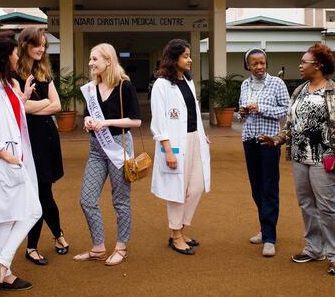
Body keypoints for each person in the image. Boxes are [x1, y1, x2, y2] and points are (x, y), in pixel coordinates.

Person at [259, 43, 335, 275]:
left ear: (318, 66)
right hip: (300, 157)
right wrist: (277, 139)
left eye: (304, 62)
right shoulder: (299, 90)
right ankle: (314, 248)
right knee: (306, 204)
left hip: (325, 158)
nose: (300, 66)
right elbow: (291, 124)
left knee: (327, 206)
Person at [0, 31, 42, 296]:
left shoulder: (5, 85)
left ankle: (3, 274)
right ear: (5, 56)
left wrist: (22, 98)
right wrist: (6, 156)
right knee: (32, 211)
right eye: (14, 53)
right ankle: (1, 265)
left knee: (6, 219)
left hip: (14, 159)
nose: (17, 56)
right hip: (4, 162)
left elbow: (12, 116)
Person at [74, 43, 141, 266]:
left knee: (120, 201)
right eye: (91, 59)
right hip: (96, 148)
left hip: (118, 146)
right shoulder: (91, 89)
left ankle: (121, 247)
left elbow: (136, 121)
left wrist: (106, 123)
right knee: (87, 199)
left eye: (95, 59)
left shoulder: (125, 87)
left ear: (108, 61)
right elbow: (87, 115)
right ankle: (98, 247)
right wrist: (88, 121)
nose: (91, 63)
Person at [150, 39, 211, 255]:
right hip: (174, 143)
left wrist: (202, 136)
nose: (190, 59)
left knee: (195, 187)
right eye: (185, 56)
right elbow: (158, 121)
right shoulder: (161, 85)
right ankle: (176, 235)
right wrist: (167, 150)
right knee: (177, 190)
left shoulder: (187, 81)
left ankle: (181, 229)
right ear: (174, 59)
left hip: (194, 139)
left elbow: (192, 112)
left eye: (189, 55)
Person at [14, 27, 69, 267]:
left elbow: (57, 106)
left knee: (44, 190)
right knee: (38, 193)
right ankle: (47, 240)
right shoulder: (14, 74)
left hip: (46, 138)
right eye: (38, 44)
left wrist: (40, 105)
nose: (42, 49)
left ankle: (43, 242)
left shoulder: (44, 72)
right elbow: (19, 107)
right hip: (28, 139)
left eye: (44, 45)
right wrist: (44, 102)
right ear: (25, 44)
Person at [237, 48, 289, 257]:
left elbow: (286, 109)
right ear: (247, 66)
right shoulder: (245, 84)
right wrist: (241, 112)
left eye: (262, 63)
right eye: (254, 64)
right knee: (256, 187)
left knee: (269, 186)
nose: (259, 67)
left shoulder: (277, 83)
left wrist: (261, 108)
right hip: (249, 139)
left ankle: (269, 237)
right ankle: (264, 227)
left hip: (269, 141)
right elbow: (242, 114)